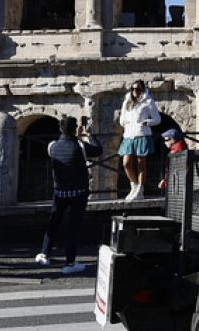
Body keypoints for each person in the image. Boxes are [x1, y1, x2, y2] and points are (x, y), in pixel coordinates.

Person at [36, 116, 102, 274]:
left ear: (60, 128)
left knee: (54, 222)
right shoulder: (80, 146)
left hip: (60, 192)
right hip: (78, 192)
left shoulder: (52, 146)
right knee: (74, 227)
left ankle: (44, 253)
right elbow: (98, 150)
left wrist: (76, 136)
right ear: (75, 129)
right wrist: (89, 135)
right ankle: (70, 263)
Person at [118, 81, 160, 201]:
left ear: (142, 90)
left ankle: (140, 190)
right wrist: (123, 123)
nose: (135, 91)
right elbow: (122, 118)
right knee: (126, 163)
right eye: (133, 89)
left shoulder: (148, 101)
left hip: (142, 134)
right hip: (128, 135)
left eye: (138, 89)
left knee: (141, 163)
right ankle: (134, 185)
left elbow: (157, 119)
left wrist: (147, 122)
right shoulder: (127, 102)